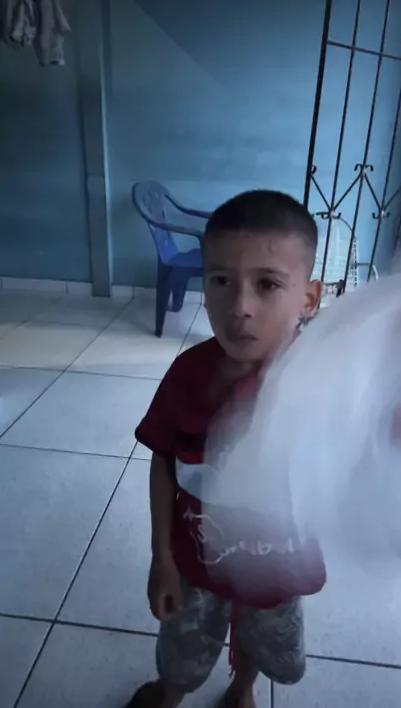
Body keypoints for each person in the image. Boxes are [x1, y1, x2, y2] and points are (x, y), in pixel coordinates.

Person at [126, 190, 324, 708]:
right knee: (183, 649)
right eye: (220, 281)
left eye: (267, 284)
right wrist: (162, 556)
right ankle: (170, 693)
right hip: (196, 563)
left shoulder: (323, 383)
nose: (240, 308)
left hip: (276, 567)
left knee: (262, 637)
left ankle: (242, 688)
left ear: (309, 298)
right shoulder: (187, 375)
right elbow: (163, 461)